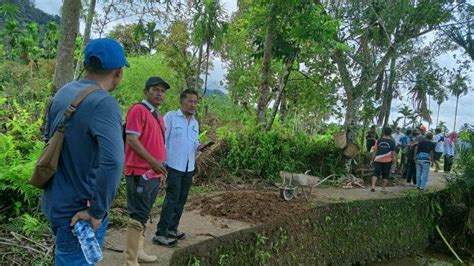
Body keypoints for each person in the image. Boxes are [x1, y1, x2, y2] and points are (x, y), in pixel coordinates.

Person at [41, 38, 128, 265]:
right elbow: (113, 162)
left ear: (87, 65)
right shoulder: (103, 103)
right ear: (118, 72)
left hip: (55, 203)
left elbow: (47, 138)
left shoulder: (63, 93)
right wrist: (97, 212)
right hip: (79, 214)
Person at [123, 77, 172, 264]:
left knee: (144, 214)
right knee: (137, 215)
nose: (160, 93)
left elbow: (158, 144)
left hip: (152, 173)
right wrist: (153, 163)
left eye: (162, 91)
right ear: (146, 92)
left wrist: (159, 171)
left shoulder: (157, 115)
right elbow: (132, 140)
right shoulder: (138, 110)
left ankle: (139, 252)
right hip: (139, 172)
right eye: (156, 90)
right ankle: (130, 259)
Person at [154, 89, 209, 246]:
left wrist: (200, 146)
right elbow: (161, 141)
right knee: (171, 199)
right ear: (181, 102)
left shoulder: (194, 122)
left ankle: (172, 229)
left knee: (181, 199)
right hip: (173, 165)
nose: (193, 105)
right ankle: (160, 232)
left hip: (188, 167)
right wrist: (161, 164)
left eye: (195, 102)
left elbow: (193, 142)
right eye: (190, 101)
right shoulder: (171, 117)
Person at [370, 127, 396, 192]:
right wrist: (394, 162)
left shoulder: (379, 140)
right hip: (387, 161)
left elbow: (375, 151)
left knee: (376, 173)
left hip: (378, 159)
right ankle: (383, 188)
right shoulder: (392, 142)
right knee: (385, 175)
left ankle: (373, 186)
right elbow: (393, 154)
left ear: (384, 132)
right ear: (390, 133)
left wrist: (372, 159)